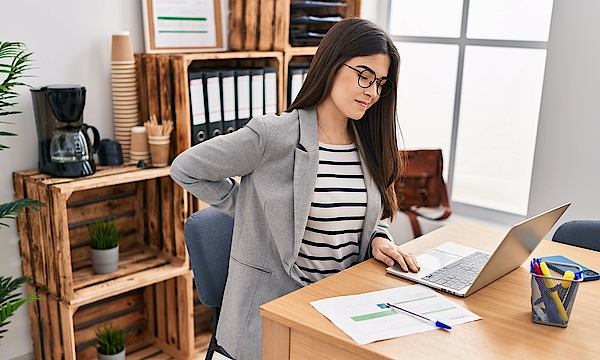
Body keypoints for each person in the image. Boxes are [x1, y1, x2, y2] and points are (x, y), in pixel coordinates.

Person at [170, 18, 420, 360]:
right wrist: (248, 205)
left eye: (380, 83)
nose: (372, 91)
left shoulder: (367, 144)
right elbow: (186, 169)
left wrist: (378, 237)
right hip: (273, 318)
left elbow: (364, 213)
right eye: (364, 74)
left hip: (339, 312)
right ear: (332, 64)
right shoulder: (272, 136)